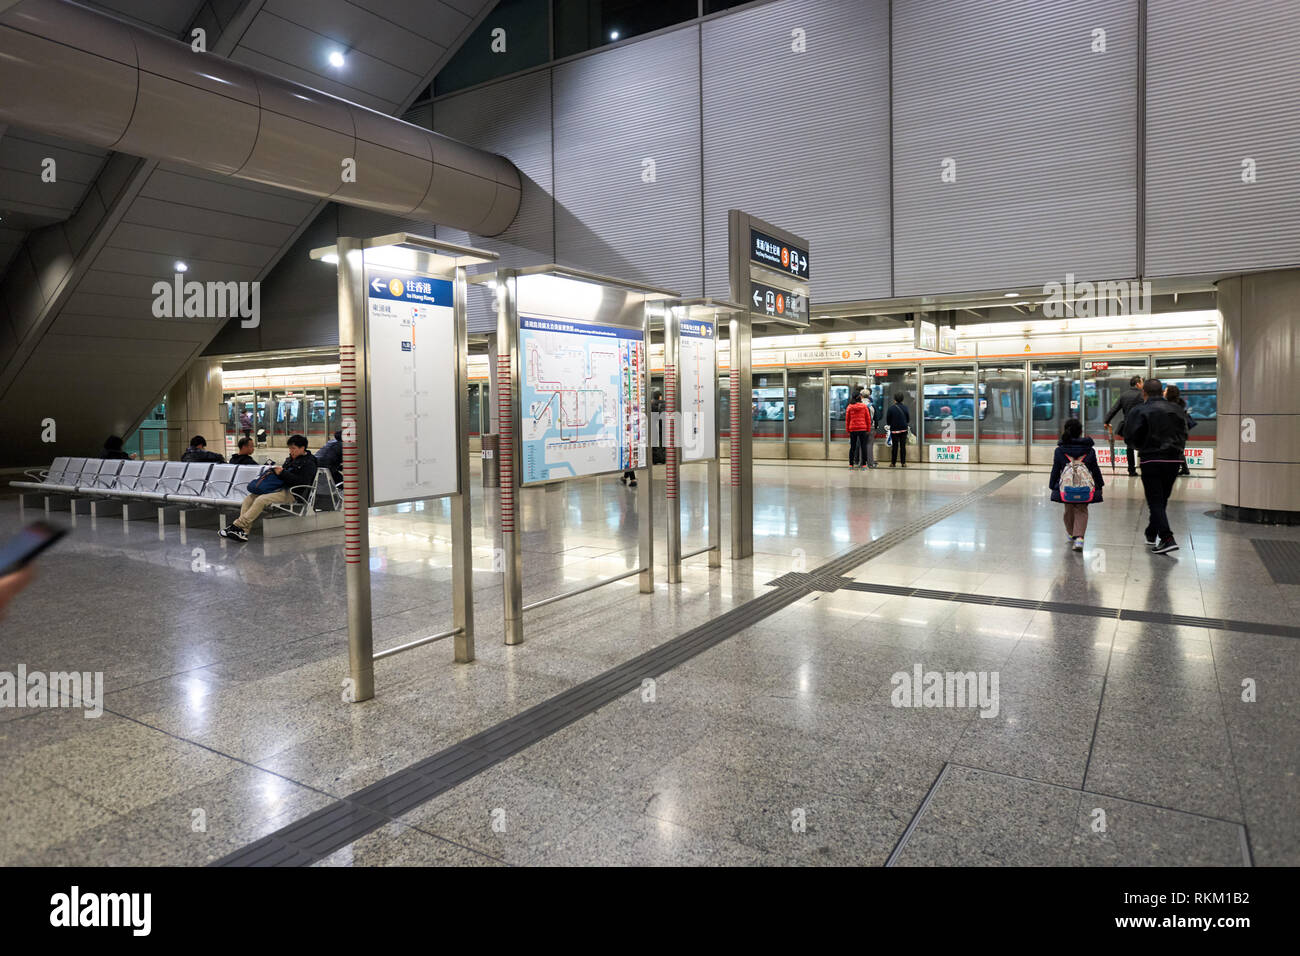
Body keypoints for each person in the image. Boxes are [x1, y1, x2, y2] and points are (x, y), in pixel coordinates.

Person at [1123, 379, 1188, 555]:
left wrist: (1142, 446)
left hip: (1151, 460)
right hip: (1174, 460)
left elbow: (1129, 437)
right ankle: (1151, 533)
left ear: (1144, 393)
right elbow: (1186, 429)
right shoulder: (1177, 409)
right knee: (1161, 499)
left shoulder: (1139, 410)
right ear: (1162, 392)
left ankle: (1167, 538)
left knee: (1155, 501)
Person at [219, 434, 317, 542]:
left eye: (293, 448)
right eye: (290, 448)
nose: (291, 451)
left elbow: (302, 482)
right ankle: (243, 532)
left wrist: (283, 473)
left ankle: (237, 525)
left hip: (293, 493)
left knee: (261, 499)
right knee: (249, 498)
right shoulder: (290, 459)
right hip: (279, 488)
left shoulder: (309, 463)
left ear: (302, 448)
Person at [1048, 418, 1105, 552]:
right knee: (1081, 509)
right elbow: (1095, 469)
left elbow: (1056, 469)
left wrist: (1052, 485)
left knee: (1068, 509)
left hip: (1067, 487)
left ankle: (1071, 533)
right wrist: (1099, 485)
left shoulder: (1060, 450)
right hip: (1084, 487)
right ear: (1080, 432)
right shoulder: (1089, 450)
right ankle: (1079, 538)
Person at [1103, 375, 1145, 476]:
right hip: (1141, 425)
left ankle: (1131, 470)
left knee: (1129, 448)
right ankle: (1144, 469)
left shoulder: (1124, 395)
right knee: (1144, 447)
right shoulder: (1144, 395)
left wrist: (1106, 421)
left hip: (1128, 425)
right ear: (1138, 384)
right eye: (1142, 382)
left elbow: (1114, 409)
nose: (1143, 385)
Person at [1164, 384, 1195, 476]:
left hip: (1177, 434)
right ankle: (1185, 469)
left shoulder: (1172, 406)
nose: (1163, 392)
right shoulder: (1178, 405)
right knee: (1179, 451)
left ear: (1170, 393)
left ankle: (1178, 469)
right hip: (1180, 433)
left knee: (1177, 451)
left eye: (1165, 390)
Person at [846, 390, 872, 469]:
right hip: (862, 429)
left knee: (852, 447)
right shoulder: (864, 406)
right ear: (860, 397)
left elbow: (847, 420)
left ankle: (851, 464)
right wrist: (868, 429)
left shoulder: (849, 407)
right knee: (863, 446)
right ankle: (864, 465)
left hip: (853, 429)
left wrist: (848, 430)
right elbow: (868, 419)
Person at [886, 393, 910, 467]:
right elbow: (908, 419)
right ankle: (903, 463)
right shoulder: (905, 408)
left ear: (895, 399)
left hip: (894, 430)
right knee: (903, 446)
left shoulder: (891, 408)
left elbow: (888, 421)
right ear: (902, 399)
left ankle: (893, 463)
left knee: (895, 447)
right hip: (903, 429)